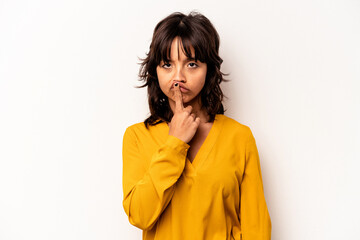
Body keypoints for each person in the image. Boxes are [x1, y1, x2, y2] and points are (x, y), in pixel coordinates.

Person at [122, 11, 271, 240]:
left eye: (191, 64)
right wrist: (175, 143)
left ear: (208, 69)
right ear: (155, 71)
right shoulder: (137, 137)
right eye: (167, 64)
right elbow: (140, 215)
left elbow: (256, 229)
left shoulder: (239, 138)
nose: (178, 77)